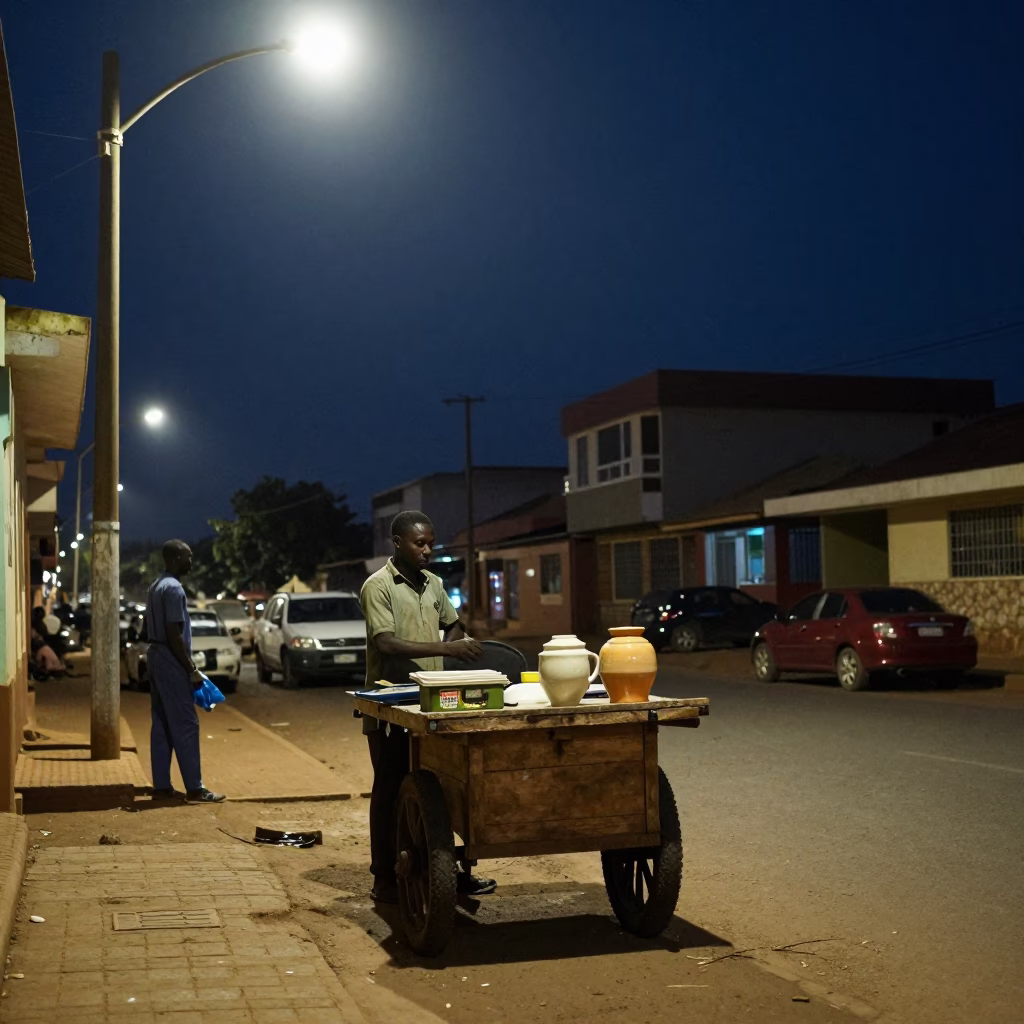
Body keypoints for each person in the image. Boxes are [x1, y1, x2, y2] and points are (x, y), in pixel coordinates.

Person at [359, 510, 495, 904]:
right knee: (389, 790)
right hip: (389, 704)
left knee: (440, 791)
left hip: (432, 702)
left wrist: (454, 642)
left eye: (431, 543)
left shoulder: (435, 584)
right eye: (420, 543)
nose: (428, 551)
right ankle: (383, 876)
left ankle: (448, 873)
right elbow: (385, 642)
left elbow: (453, 623)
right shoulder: (378, 586)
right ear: (398, 542)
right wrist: (445, 647)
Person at [144, 539, 225, 804]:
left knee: (162, 722)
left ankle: (161, 785)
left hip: (154, 655)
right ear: (177, 558)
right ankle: (195, 788)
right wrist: (190, 668)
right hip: (170, 658)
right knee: (186, 724)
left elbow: (148, 629)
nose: (191, 561)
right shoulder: (175, 589)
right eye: (188, 557)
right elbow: (174, 632)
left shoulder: (155, 586)